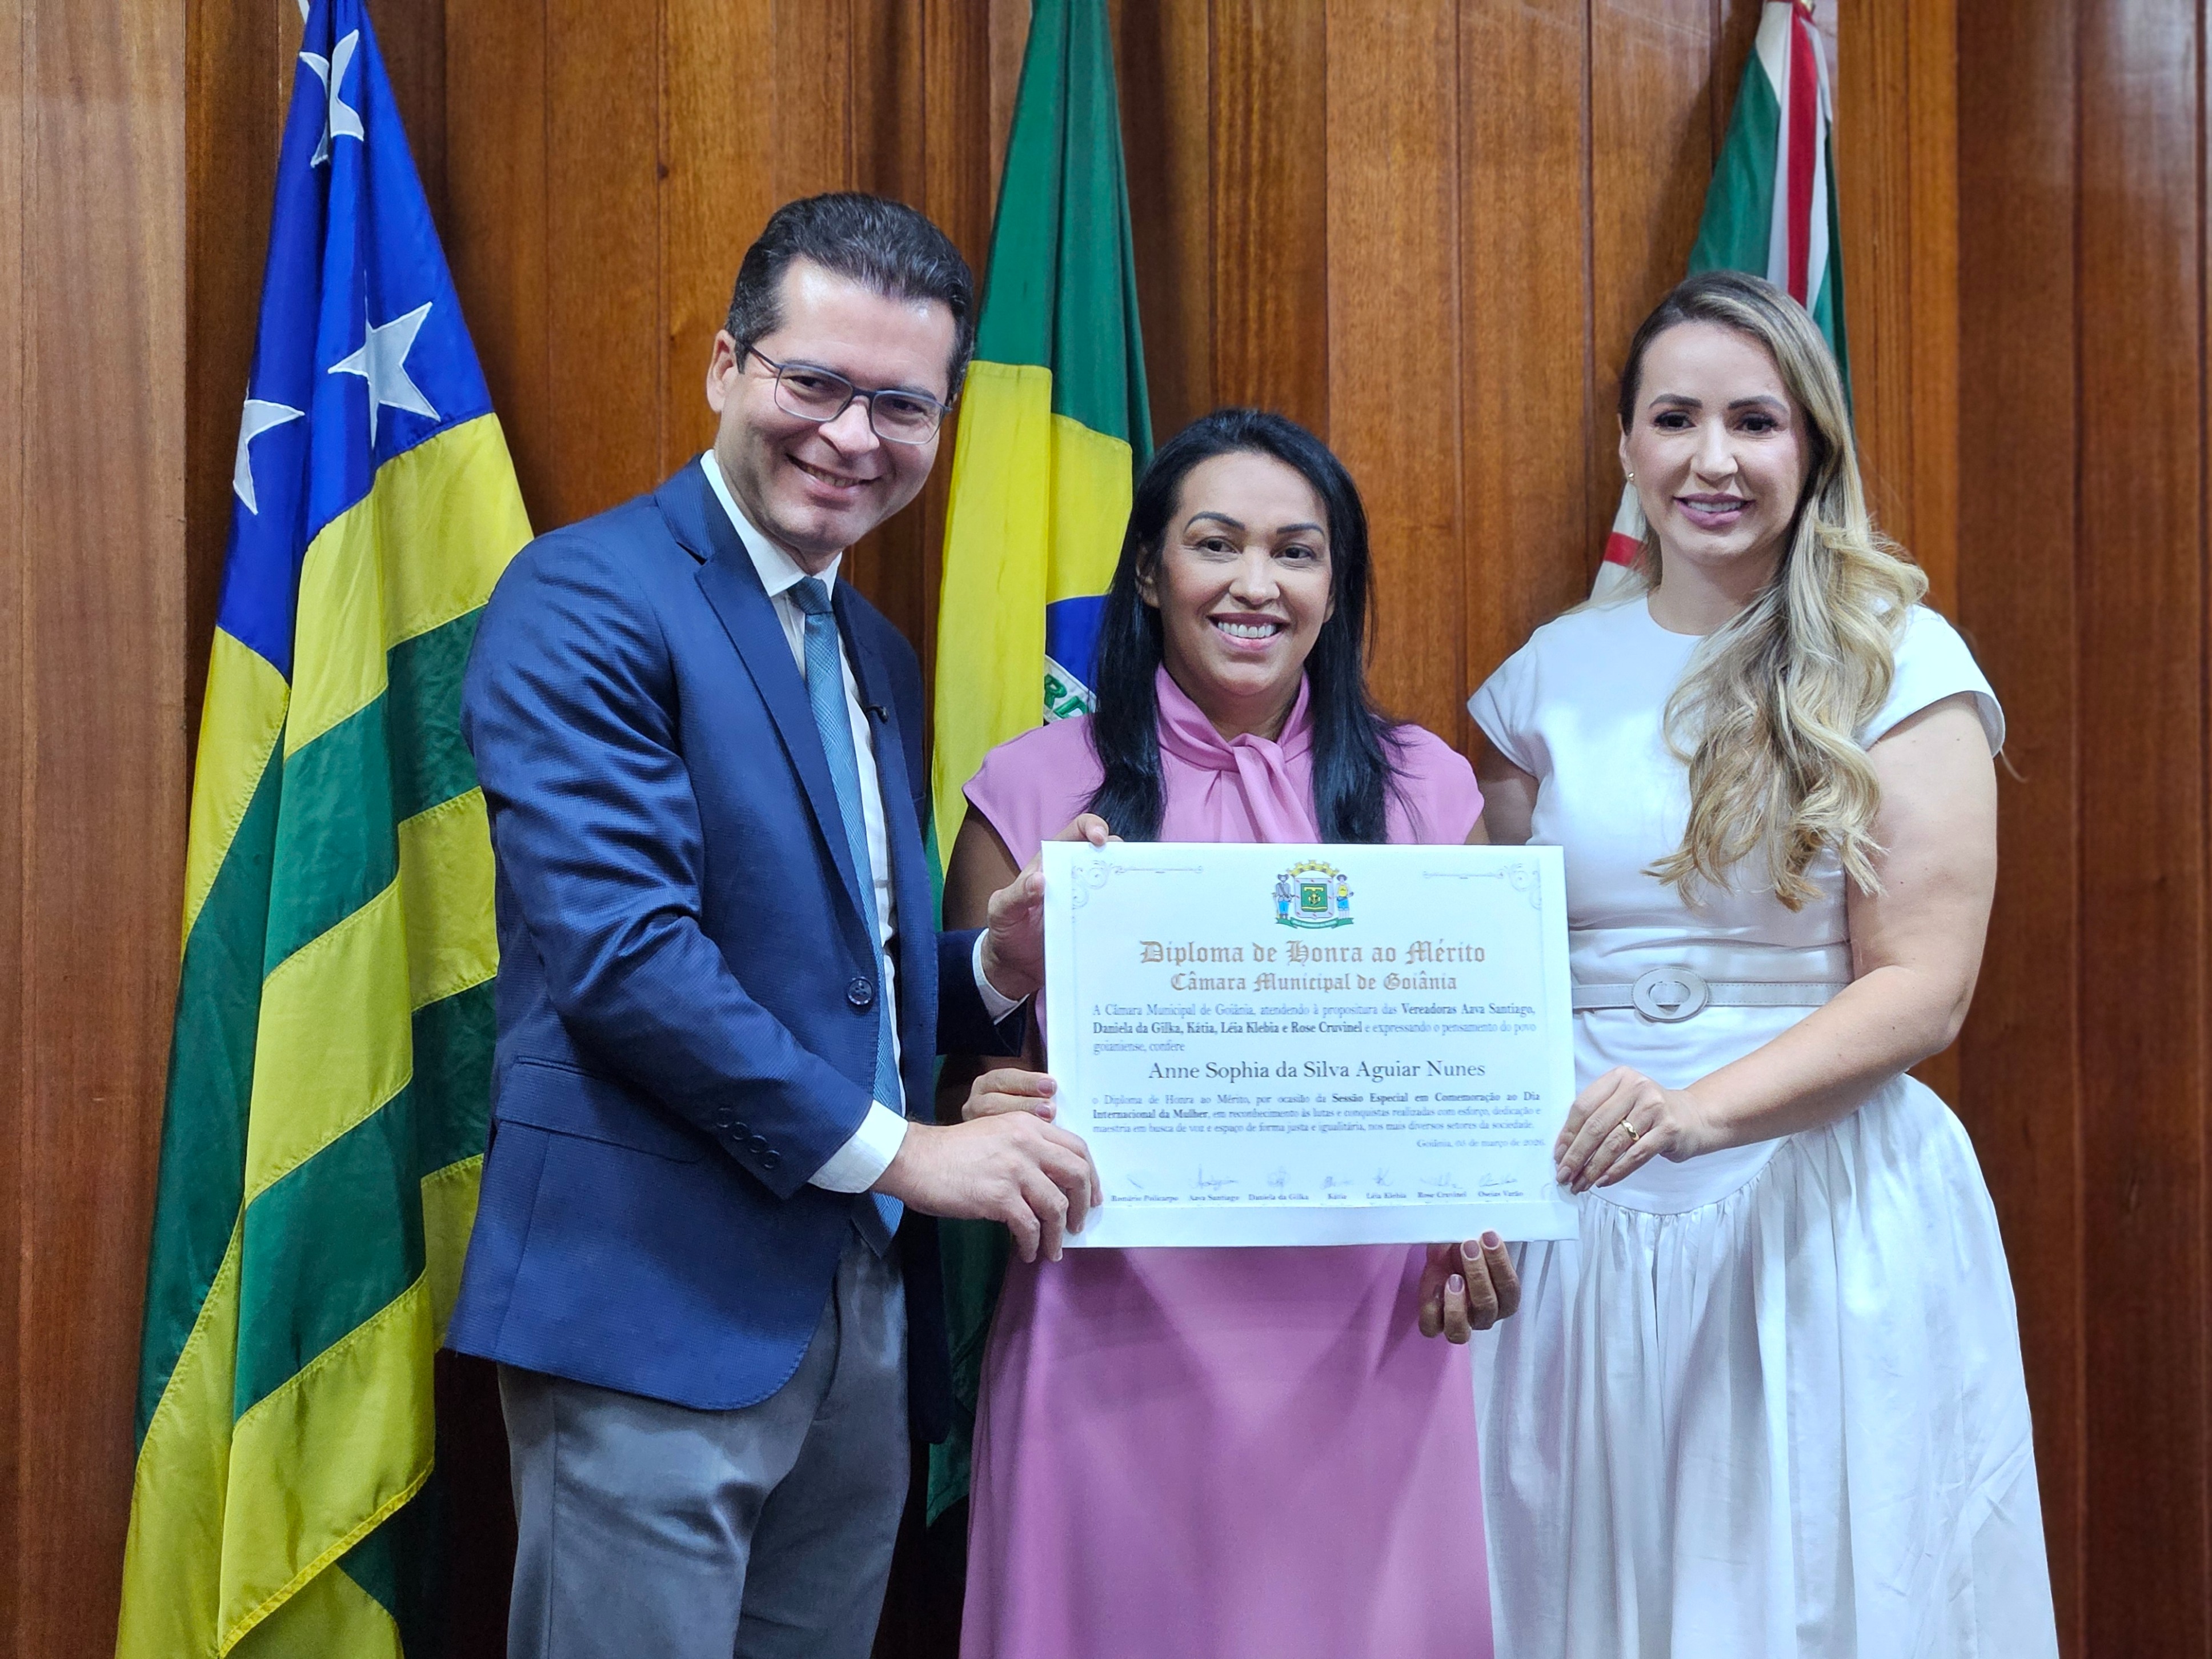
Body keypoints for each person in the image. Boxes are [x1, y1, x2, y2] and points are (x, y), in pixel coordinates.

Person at [446, 192, 1103, 1659]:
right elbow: (625, 959)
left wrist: (996, 963)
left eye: (902, 405)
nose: (854, 437)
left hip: (856, 1315)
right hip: (648, 1307)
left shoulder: (872, 649)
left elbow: (839, 979)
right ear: (726, 368)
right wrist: (911, 1155)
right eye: (815, 382)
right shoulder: (585, 596)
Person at [1456, 270, 2057, 1656]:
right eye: (1674, 419)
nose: (1711, 460)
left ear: (1813, 447)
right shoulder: (1547, 673)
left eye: (1755, 422)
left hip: (1811, 1205)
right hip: (1578, 1216)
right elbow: (1480, 962)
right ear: (1626, 444)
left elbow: (1923, 986)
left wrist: (1694, 1113)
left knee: (1810, 1593)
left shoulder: (1900, 662)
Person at [943, 408, 1520, 1659]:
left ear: (1335, 587)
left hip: (1372, 1339)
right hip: (1107, 1335)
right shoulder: (1027, 788)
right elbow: (969, 1082)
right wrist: (989, 1112)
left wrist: (1482, 1227)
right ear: (1151, 573)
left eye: (1296, 552)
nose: (1256, 584)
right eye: (1216, 544)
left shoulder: (1430, 791)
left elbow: (1484, 1090)